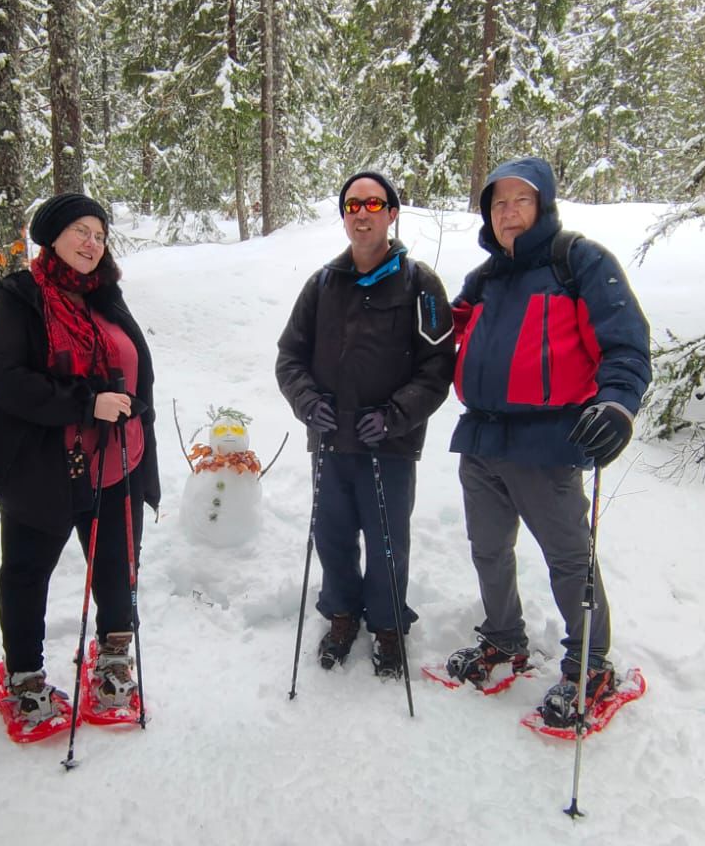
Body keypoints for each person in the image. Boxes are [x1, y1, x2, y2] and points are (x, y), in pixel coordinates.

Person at [445, 156, 651, 726]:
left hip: (549, 440)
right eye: (498, 202)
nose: (509, 213)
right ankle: (504, 639)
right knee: (488, 549)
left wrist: (616, 404)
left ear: (544, 205)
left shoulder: (578, 262)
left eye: (521, 200)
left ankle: (591, 664)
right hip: (482, 436)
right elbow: (449, 332)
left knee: (567, 559)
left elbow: (626, 346)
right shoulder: (486, 277)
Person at [0, 193, 160, 728]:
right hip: (42, 466)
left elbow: (135, 366)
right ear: (52, 235)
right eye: (81, 230)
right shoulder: (22, 297)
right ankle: (25, 675)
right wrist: (85, 403)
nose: (91, 243)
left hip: (118, 458)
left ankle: (115, 657)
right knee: (28, 571)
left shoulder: (105, 295)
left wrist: (132, 406)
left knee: (117, 566)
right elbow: (2, 375)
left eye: (100, 236)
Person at [276, 170, 455, 677]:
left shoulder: (421, 284)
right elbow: (290, 357)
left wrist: (398, 414)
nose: (362, 213)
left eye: (374, 205)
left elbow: (438, 366)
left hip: (389, 444)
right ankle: (341, 613)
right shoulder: (323, 284)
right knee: (332, 536)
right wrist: (308, 402)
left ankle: (388, 624)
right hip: (332, 441)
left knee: (386, 540)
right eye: (353, 204)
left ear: (392, 214)